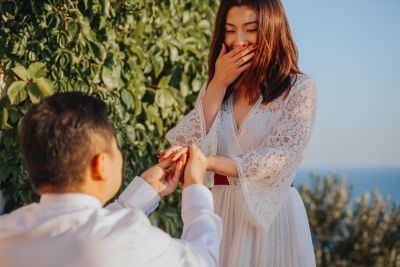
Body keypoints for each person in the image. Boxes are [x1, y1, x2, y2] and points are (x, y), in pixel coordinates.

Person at [160, 0, 317, 266]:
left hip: (273, 216)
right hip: (220, 213)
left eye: (250, 29)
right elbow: (191, 142)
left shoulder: (300, 88)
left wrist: (207, 161)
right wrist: (218, 83)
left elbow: (277, 158)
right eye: (230, 30)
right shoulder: (217, 88)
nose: (239, 41)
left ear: (272, 29)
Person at [0, 92, 222, 267]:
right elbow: (204, 260)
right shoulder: (129, 238)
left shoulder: (7, 232)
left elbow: (82, 227)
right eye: (116, 148)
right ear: (101, 165)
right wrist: (195, 189)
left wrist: (141, 195)